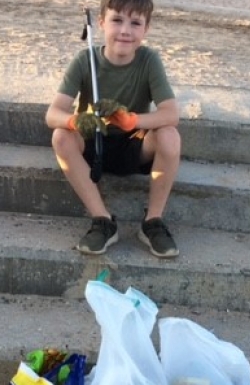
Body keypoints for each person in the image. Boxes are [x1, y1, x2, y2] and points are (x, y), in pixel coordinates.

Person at [45, 0, 181, 258]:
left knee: (169, 134)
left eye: (135, 23)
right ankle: (103, 220)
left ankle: (152, 221)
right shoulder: (85, 60)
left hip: (133, 146)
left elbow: (171, 114)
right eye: (117, 20)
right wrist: (74, 121)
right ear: (101, 23)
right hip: (92, 145)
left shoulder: (149, 61)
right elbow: (53, 114)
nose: (125, 31)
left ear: (146, 29)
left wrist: (133, 121)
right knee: (61, 135)